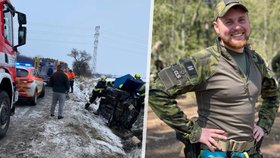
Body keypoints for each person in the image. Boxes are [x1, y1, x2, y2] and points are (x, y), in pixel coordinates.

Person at [149, 1, 279, 158]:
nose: (237, 27)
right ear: (216, 27)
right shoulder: (204, 62)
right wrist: (194, 131)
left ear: (248, 22)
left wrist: (263, 125)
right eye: (229, 22)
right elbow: (156, 91)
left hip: (249, 152)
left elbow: (272, 94)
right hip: (214, 153)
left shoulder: (257, 61)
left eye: (241, 20)